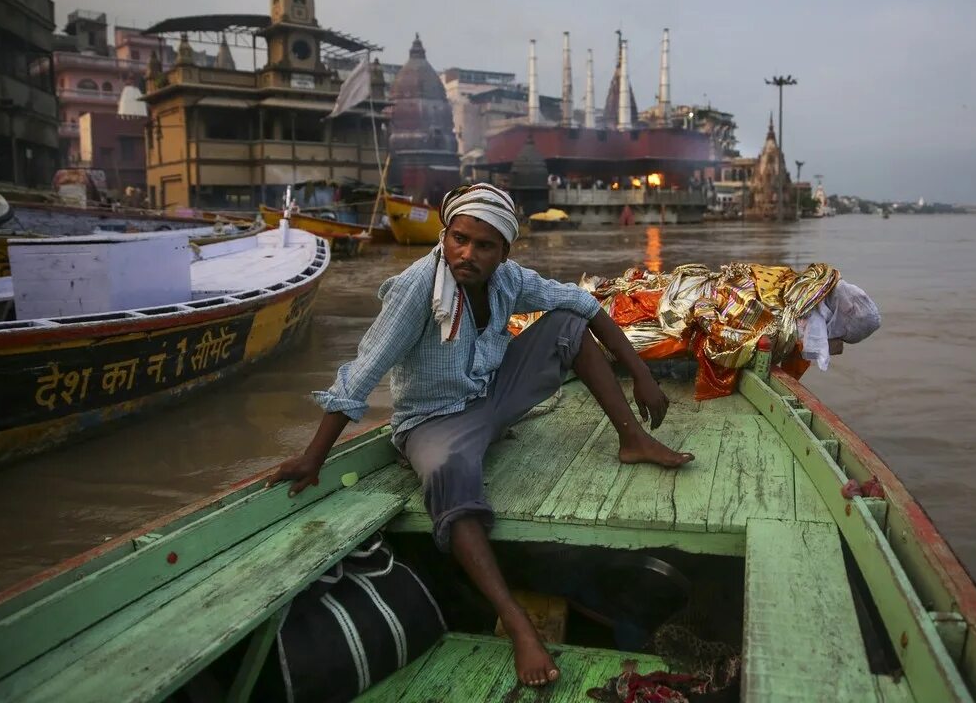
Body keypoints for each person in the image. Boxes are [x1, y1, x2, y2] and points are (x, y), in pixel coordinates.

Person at [267, 183, 693, 688]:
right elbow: (361, 374)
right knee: (448, 476)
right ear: (445, 235)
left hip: (490, 397)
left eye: (483, 245)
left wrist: (641, 374)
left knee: (566, 325)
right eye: (457, 239)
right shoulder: (416, 291)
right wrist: (314, 457)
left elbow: (583, 303)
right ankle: (516, 624)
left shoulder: (509, 280)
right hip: (433, 421)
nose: (466, 254)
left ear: (504, 252)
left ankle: (632, 440)